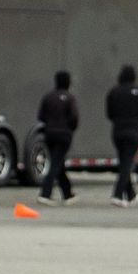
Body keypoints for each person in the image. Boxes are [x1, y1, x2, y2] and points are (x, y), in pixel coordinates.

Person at [105, 62, 138, 205]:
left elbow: (109, 113)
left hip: (118, 131)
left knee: (124, 161)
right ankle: (117, 195)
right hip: (133, 131)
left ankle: (131, 194)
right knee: (127, 163)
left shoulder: (113, 91)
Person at [36, 69, 79, 202]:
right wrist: (69, 128)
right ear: (68, 82)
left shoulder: (48, 97)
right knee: (56, 164)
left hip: (49, 134)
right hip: (64, 135)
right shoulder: (70, 98)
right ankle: (45, 193)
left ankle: (67, 193)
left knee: (57, 163)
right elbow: (74, 118)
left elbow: (40, 116)